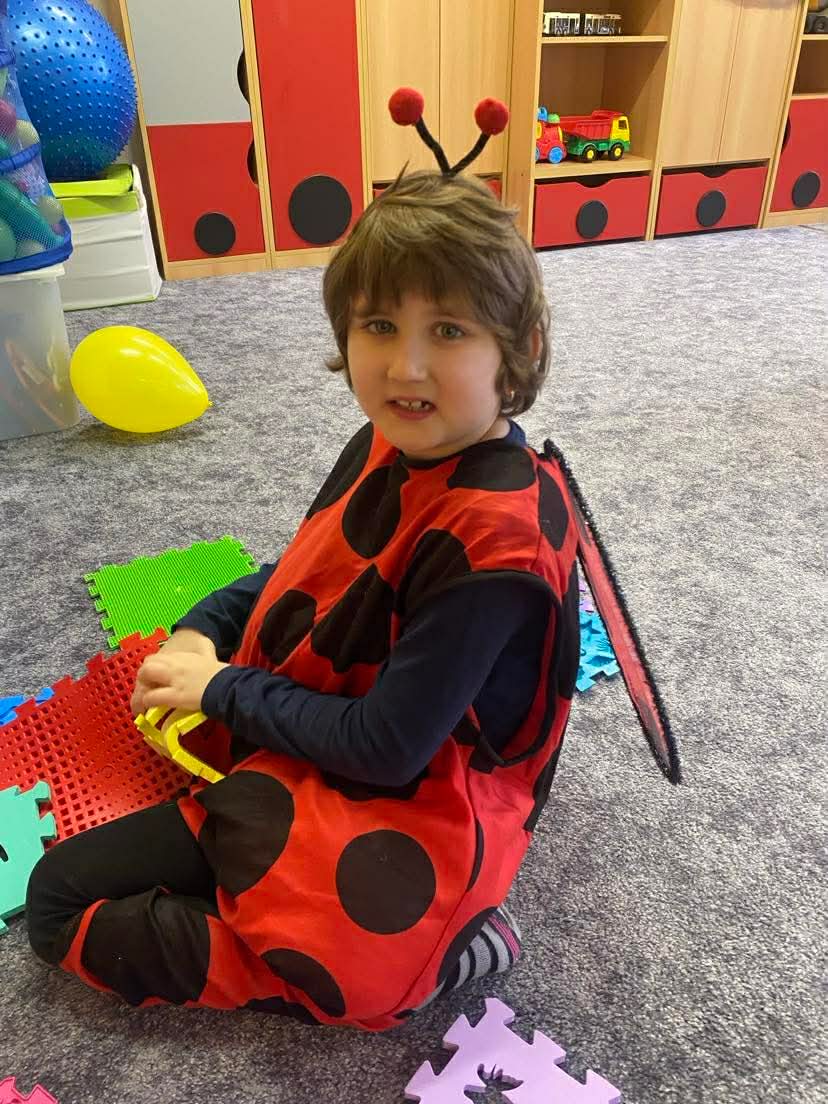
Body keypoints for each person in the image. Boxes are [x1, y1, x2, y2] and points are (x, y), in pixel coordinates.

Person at [26, 92, 676, 1032]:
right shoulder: (397, 438)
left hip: (417, 788)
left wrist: (222, 692)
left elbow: (388, 747)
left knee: (68, 908)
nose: (405, 367)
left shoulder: (495, 542)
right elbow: (309, 569)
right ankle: (279, 889)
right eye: (378, 327)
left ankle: (442, 947)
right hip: (338, 733)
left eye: (447, 331)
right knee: (78, 887)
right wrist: (203, 629)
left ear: (518, 349)